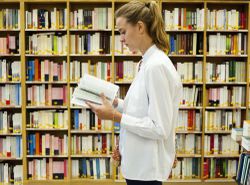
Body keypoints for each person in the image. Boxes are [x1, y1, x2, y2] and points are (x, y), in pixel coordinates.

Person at [86, 1, 182, 185]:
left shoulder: (156, 66)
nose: (121, 38)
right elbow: (143, 109)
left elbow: (158, 127)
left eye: (122, 31)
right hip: (138, 165)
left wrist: (115, 116)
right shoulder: (145, 63)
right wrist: (116, 104)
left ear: (140, 27)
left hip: (146, 170)